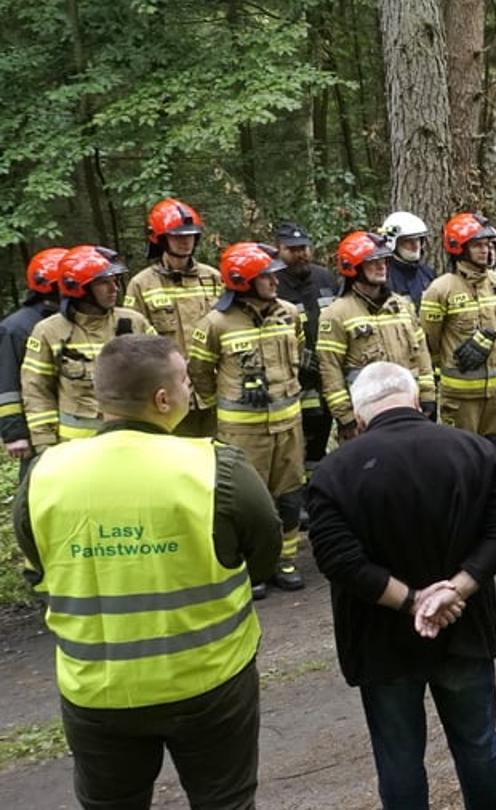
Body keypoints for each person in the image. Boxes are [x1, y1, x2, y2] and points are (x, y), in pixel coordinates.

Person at [16, 333, 280, 810]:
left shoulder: (44, 473)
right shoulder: (216, 466)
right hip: (209, 681)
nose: (190, 389)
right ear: (163, 400)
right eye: (184, 380)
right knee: (226, 802)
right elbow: (264, 554)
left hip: (95, 691)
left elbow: (38, 566)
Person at [308, 362, 496, 810]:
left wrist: (411, 603)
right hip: (463, 630)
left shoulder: (334, 472)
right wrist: (455, 591)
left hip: (381, 642)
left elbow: (338, 559)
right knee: (479, 745)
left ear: (360, 416)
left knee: (400, 761)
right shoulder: (474, 450)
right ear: (417, 400)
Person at [188, 242, 309, 597]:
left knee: (288, 496)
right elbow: (199, 371)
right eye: (266, 276)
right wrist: (228, 400)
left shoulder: (287, 313)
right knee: (249, 501)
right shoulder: (215, 323)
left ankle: (285, 561)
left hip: (289, 425)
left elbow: (297, 350)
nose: (275, 281)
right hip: (243, 431)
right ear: (242, 281)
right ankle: (251, 566)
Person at [21, 247, 156, 452]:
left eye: (115, 280)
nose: (115, 288)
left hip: (135, 442)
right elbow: (36, 390)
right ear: (77, 288)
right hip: (77, 449)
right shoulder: (49, 331)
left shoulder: (135, 322)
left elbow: (162, 373)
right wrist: (45, 445)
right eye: (104, 282)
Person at [317, 231, 439, 444]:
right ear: (352, 268)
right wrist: (346, 418)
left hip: (408, 409)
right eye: (372, 262)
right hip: (366, 416)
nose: (381, 266)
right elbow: (330, 371)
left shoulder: (402, 306)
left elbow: (422, 353)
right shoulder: (336, 314)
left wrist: (428, 397)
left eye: (383, 260)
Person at [125, 198, 223, 437]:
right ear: (160, 239)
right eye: (177, 236)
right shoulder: (141, 284)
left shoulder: (213, 278)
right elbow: (134, 345)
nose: (185, 241)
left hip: (215, 390)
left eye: (190, 235)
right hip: (169, 393)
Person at [422, 213, 496, 446]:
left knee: (493, 451)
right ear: (458, 248)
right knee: (462, 455)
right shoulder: (440, 289)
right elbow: (429, 342)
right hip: (460, 398)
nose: (486, 250)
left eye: (488, 245)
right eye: (478, 245)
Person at [274, 222, 341, 474]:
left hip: (328, 372)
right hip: (293, 378)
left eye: (304, 248)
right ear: (278, 249)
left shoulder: (324, 277)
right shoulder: (273, 283)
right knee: (295, 439)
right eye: (292, 249)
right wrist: (296, 356)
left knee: (323, 432)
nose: (300, 254)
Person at [1, 248, 65, 465]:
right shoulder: (16, 328)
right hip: (33, 427)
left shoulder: (71, 318)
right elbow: (7, 385)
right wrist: (14, 433)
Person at [379, 211, 439, 307]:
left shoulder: (428, 274)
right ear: (392, 243)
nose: (415, 245)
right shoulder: (383, 277)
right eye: (408, 240)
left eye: (417, 239)